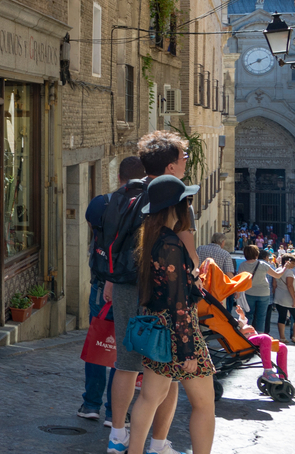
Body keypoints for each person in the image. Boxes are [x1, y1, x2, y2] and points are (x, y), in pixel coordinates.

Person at [103, 132, 188, 454]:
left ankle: (117, 436)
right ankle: (157, 443)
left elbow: (116, 240)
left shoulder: (129, 194)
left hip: (126, 285)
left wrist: (111, 278)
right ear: (170, 164)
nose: (184, 163)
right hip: (162, 290)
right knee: (168, 367)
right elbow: (186, 254)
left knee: (126, 363)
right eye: (184, 158)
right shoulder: (175, 197)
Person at [127, 175, 215, 454]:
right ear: (174, 207)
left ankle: (134, 450)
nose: (188, 208)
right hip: (179, 331)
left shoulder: (152, 239)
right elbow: (178, 302)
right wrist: (188, 351)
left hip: (158, 329)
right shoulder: (172, 246)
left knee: (150, 398)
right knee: (205, 405)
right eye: (186, 202)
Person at [78, 156, 145, 426]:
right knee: (124, 348)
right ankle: (114, 412)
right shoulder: (150, 207)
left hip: (101, 283)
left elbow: (96, 237)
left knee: (99, 341)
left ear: (118, 177)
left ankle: (91, 404)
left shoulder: (102, 203)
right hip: (133, 287)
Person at [234, 307, 288, 384]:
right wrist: (245, 330)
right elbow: (234, 336)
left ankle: (283, 378)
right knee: (265, 337)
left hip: (254, 338)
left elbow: (242, 322)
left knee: (282, 347)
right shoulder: (225, 324)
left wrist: (242, 315)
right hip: (246, 341)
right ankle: (267, 371)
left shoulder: (231, 320)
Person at [273, 254, 295, 345]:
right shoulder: (289, 272)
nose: (294, 265)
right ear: (288, 262)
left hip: (279, 297)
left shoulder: (277, 270)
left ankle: (282, 337)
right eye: (293, 263)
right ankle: (294, 336)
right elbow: (289, 285)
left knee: (282, 317)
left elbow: (274, 284)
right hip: (288, 298)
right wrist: (294, 299)